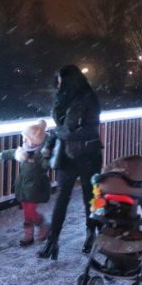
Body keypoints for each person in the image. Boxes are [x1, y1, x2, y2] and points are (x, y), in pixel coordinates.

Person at [38, 65, 103, 260]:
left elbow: (91, 129)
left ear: (69, 80)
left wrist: (66, 134)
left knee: (90, 196)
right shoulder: (62, 98)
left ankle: (91, 234)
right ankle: (53, 240)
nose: (57, 83)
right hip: (66, 155)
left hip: (88, 154)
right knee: (61, 199)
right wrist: (51, 142)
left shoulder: (89, 98)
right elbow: (60, 127)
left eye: (60, 79)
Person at [0, 120, 51, 247]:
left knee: (29, 212)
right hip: (24, 185)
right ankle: (36, 230)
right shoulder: (24, 151)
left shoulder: (40, 154)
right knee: (27, 210)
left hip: (35, 187)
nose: (24, 140)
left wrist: (46, 157)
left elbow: (46, 165)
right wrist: (3, 155)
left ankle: (37, 230)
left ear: (33, 141)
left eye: (25, 138)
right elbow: (13, 152)